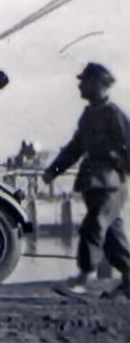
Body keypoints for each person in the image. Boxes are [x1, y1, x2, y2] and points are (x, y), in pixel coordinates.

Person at [43, 62, 130, 299]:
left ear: (98, 84)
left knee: (93, 225)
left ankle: (82, 278)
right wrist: (54, 170)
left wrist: (122, 170)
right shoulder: (89, 114)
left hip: (110, 182)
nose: (80, 85)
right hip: (94, 182)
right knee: (112, 235)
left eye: (84, 81)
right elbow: (76, 147)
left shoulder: (114, 114)